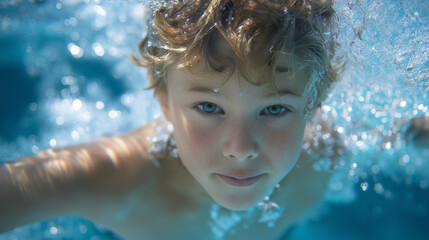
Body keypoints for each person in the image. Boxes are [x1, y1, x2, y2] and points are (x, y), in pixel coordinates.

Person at [0, 0, 428, 239]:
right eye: (208, 108)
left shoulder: (327, 154)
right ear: (164, 99)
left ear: (315, 104)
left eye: (275, 109)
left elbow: (401, 136)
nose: (241, 147)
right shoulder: (117, 181)